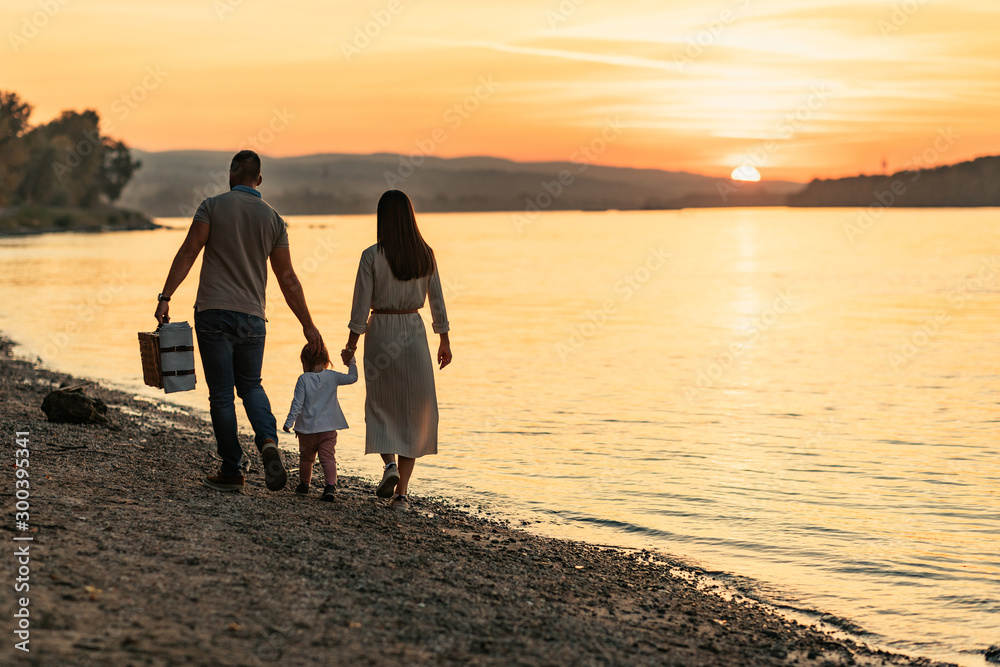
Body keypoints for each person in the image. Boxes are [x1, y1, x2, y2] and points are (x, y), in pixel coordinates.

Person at [155, 150, 323, 493]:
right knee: (251, 386)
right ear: (259, 180)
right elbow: (287, 278)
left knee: (221, 395)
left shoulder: (212, 206)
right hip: (253, 318)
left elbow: (189, 251)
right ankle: (267, 441)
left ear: (231, 175)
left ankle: (232, 469)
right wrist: (308, 324)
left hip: (213, 314)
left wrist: (165, 296)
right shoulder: (274, 219)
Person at [343, 190, 452, 512]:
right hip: (414, 334)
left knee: (380, 406)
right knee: (413, 413)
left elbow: (360, 306)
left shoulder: (371, 256)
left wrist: (351, 343)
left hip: (381, 330)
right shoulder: (425, 254)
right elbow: (438, 299)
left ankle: (388, 465)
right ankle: (402, 495)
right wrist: (444, 339)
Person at [282, 343, 357, 501]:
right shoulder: (332, 376)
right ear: (326, 361)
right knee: (328, 458)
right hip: (328, 429)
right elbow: (352, 378)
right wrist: (352, 362)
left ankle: (304, 485)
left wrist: (289, 422)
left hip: (307, 430)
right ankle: (330, 486)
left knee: (306, 458)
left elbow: (297, 403)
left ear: (305, 362)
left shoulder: (303, 379)